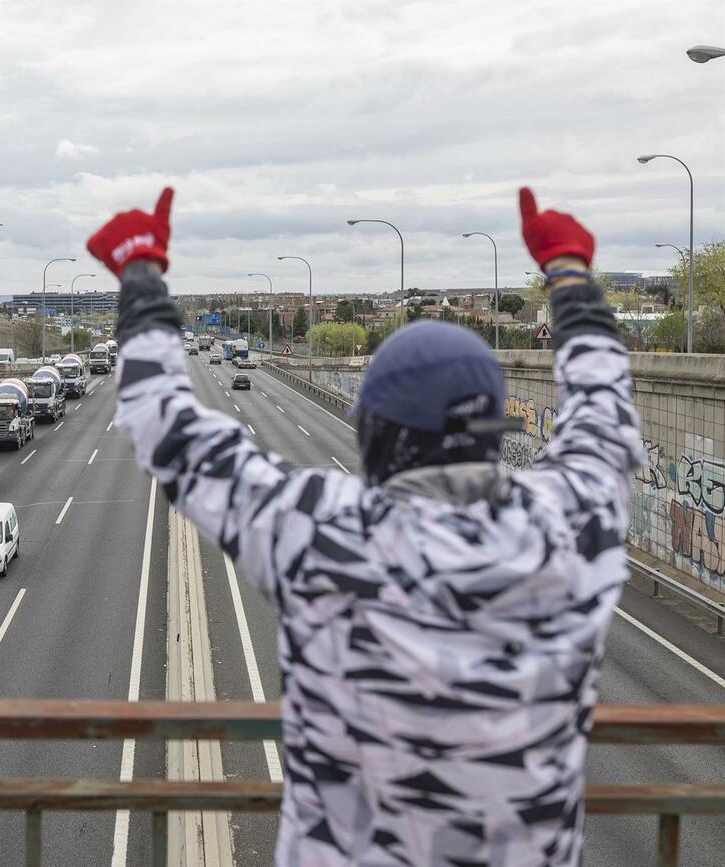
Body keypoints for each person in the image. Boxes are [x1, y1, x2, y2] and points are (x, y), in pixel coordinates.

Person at [88, 187, 642, 866]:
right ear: (493, 431)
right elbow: (605, 418)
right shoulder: (568, 525)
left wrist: (141, 274)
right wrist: (571, 276)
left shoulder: (323, 533)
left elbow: (164, 425)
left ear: (377, 433)